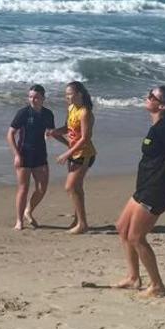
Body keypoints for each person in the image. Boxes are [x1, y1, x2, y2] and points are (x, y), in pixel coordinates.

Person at [114, 85, 165, 298]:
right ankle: (133, 278)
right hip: (144, 186)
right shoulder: (157, 126)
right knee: (122, 228)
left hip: (157, 189)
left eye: (151, 96)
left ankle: (157, 285)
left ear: (162, 105)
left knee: (137, 237)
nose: (147, 98)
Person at [50, 81, 96, 234]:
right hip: (74, 152)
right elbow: (68, 129)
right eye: (66, 94)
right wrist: (55, 132)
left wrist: (67, 153)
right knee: (77, 187)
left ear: (79, 95)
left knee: (70, 187)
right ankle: (78, 220)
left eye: (70, 94)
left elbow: (85, 138)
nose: (67, 97)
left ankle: (82, 224)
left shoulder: (85, 112)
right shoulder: (71, 108)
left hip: (84, 154)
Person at [8, 84, 54, 229]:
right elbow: (10, 134)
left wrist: (68, 143)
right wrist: (16, 155)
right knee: (23, 188)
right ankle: (19, 220)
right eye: (30, 97)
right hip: (24, 154)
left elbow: (51, 132)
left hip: (40, 154)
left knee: (42, 188)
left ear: (43, 98)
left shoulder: (48, 114)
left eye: (36, 97)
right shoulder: (23, 113)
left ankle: (29, 211)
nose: (33, 100)